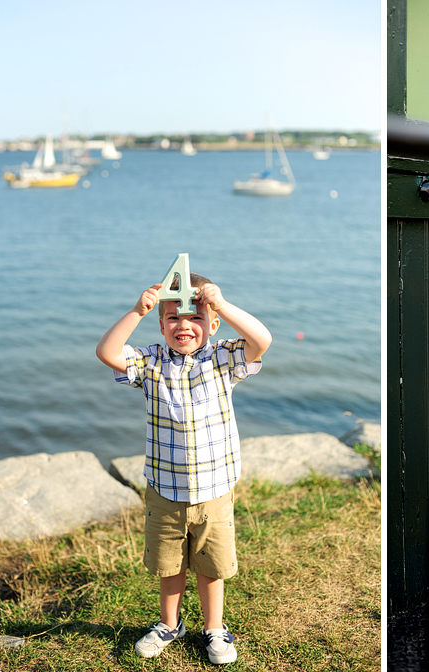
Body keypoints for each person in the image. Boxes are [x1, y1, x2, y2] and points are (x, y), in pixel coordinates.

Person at [96, 272, 272, 663]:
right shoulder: (150, 361)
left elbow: (262, 341)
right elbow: (107, 352)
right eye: (173, 317)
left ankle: (214, 630)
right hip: (164, 490)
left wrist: (222, 304)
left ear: (212, 325)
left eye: (195, 318)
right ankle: (169, 624)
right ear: (160, 324)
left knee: (212, 566)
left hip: (214, 488)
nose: (184, 326)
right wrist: (135, 311)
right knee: (169, 565)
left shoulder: (223, 358)